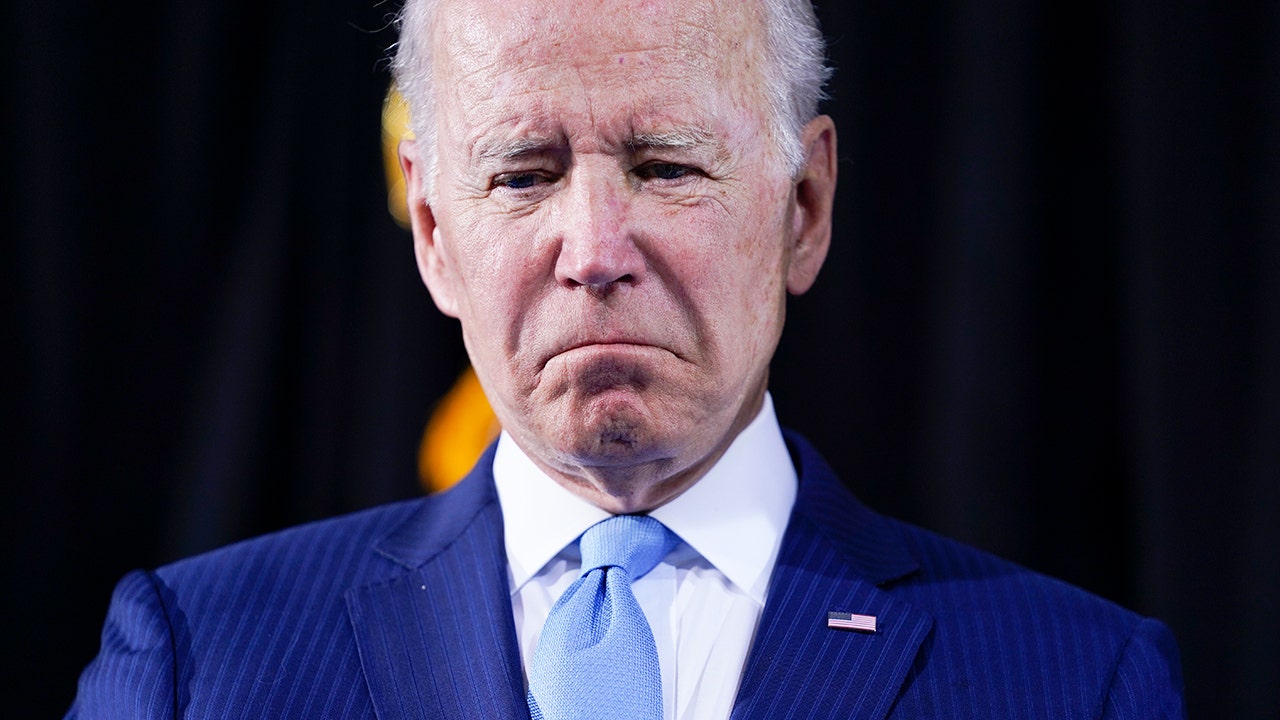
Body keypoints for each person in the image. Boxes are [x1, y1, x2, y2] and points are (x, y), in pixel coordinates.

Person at [67, 0, 1185, 717]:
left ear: (803, 207)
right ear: (433, 235)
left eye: (665, 166)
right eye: (523, 175)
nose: (596, 252)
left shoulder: (1077, 682)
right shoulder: (198, 665)